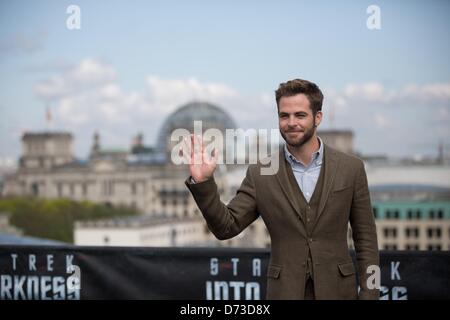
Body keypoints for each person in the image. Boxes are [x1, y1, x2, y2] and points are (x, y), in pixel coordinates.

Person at [184, 79, 379, 300]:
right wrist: (203, 183)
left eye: (300, 115)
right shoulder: (261, 173)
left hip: (339, 293)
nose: (291, 122)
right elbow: (226, 227)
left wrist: (371, 293)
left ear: (318, 118)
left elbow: (367, 240)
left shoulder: (351, 168)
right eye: (284, 115)